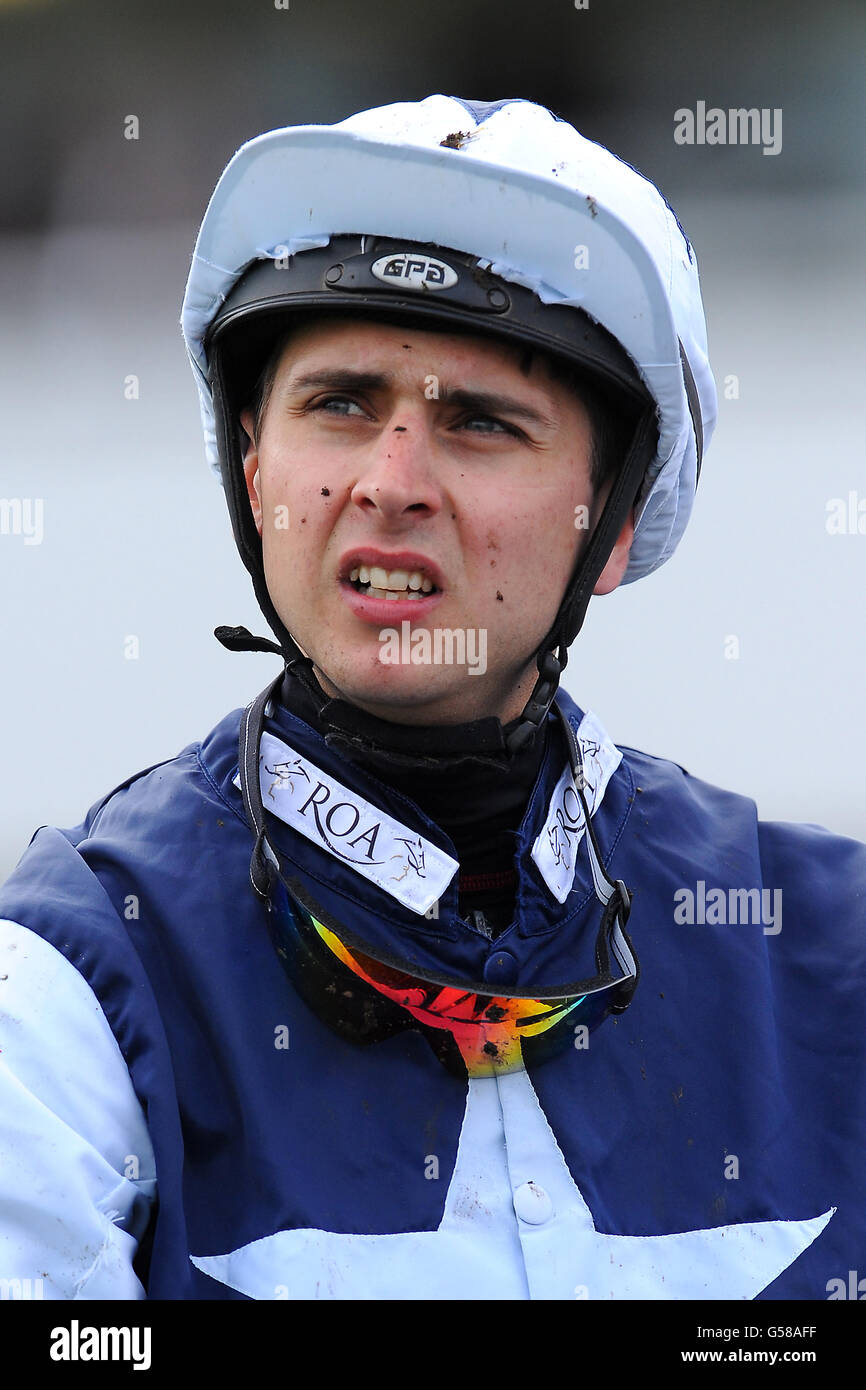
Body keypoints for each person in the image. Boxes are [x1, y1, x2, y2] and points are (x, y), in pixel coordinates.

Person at [0, 94, 863, 1303]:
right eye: (341, 403)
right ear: (254, 472)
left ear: (605, 528)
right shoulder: (64, 986)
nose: (391, 481)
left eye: (480, 422)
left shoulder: (829, 948)